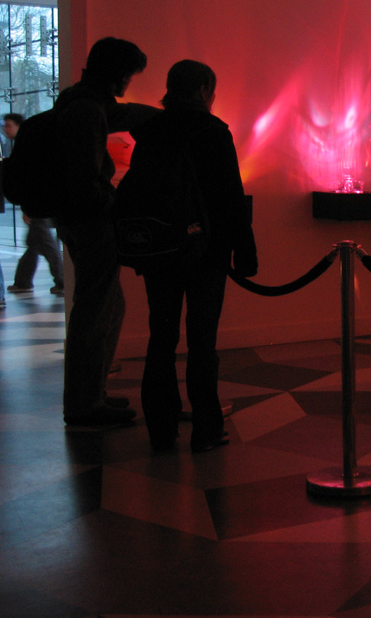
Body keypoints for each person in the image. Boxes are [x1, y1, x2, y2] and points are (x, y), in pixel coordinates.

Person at [131, 60, 257, 452]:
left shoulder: (152, 129)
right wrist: (245, 250)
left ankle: (161, 428)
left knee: (161, 337)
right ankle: (206, 428)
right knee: (202, 341)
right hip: (207, 249)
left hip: (161, 247)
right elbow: (230, 196)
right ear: (203, 89)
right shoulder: (213, 130)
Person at [57, 37, 156, 426]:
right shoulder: (88, 109)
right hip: (90, 222)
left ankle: (91, 394)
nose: (129, 82)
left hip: (75, 220)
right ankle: (85, 403)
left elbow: (120, 114)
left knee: (106, 306)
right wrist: (115, 204)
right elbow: (86, 181)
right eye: (129, 75)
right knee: (96, 311)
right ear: (118, 74)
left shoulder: (77, 100)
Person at [4, 113, 65, 296]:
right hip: (40, 202)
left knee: (45, 243)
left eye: (9, 125)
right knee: (34, 243)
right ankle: (23, 281)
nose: (5, 129)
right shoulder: (26, 144)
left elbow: (28, 177)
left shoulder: (25, 146)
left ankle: (62, 281)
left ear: (19, 126)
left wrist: (27, 205)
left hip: (39, 204)